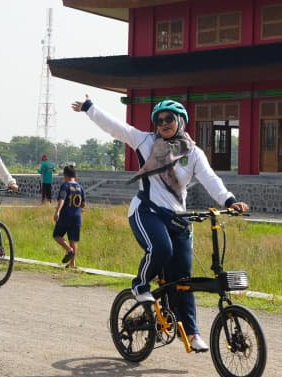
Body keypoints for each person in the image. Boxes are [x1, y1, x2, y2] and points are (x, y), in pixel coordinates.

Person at [71, 95, 249, 353]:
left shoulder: (193, 152)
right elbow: (116, 128)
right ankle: (140, 284)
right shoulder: (146, 141)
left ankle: (191, 332)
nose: (164, 123)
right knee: (161, 249)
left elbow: (210, 179)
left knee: (183, 280)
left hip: (178, 219)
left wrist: (230, 201)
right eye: (159, 120)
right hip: (147, 212)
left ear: (181, 122)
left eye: (169, 119)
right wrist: (90, 108)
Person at [52, 164, 84, 268]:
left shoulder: (65, 185)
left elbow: (62, 199)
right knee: (73, 240)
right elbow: (83, 204)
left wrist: (57, 211)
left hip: (66, 215)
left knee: (57, 235)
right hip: (77, 217)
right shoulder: (80, 187)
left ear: (65, 175)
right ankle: (72, 264)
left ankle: (69, 250)